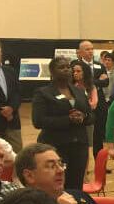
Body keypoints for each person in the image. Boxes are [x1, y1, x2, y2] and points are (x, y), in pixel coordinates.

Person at [32, 57, 94, 190]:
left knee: (76, 186)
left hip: (79, 146)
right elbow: (38, 121)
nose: (66, 70)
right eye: (61, 67)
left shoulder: (78, 91)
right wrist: (67, 119)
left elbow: (91, 116)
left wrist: (83, 117)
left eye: (68, 67)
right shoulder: (43, 93)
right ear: (52, 72)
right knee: (58, 186)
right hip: (56, 146)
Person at [70, 60, 99, 152]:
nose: (75, 73)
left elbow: (93, 104)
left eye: (78, 71)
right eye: (74, 71)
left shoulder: (91, 87)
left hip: (87, 121)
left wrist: (80, 107)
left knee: (86, 149)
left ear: (85, 72)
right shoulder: (69, 86)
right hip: (71, 121)